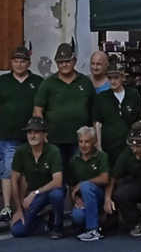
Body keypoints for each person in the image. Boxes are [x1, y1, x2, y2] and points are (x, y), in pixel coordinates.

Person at [0, 46, 44, 222]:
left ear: (29, 63)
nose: (19, 64)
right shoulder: (1, 82)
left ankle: (21, 203)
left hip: (31, 134)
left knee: (25, 172)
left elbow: (42, 105)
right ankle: (6, 207)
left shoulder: (38, 82)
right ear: (11, 63)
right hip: (9, 132)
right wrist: (1, 118)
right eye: (16, 61)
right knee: (8, 171)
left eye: (22, 61)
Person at [34, 43, 96, 174]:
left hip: (81, 140)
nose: (64, 65)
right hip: (54, 138)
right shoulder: (48, 83)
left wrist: (95, 136)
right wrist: (42, 134)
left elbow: (94, 110)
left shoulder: (85, 82)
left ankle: (76, 194)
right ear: (56, 63)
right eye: (60, 62)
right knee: (57, 173)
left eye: (67, 61)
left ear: (74, 61)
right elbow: (38, 110)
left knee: (79, 172)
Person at [9, 117, 65, 239]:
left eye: (36, 132)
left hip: (50, 190)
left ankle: (58, 225)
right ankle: (43, 221)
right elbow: (14, 179)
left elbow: (57, 181)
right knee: (17, 230)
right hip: (34, 195)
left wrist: (35, 193)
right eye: (29, 132)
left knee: (56, 195)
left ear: (45, 134)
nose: (32, 135)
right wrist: (18, 208)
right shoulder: (21, 151)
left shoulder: (53, 151)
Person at [93, 62, 141, 167]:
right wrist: (99, 146)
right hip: (109, 147)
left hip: (130, 146)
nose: (112, 81)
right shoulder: (102, 98)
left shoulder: (133, 94)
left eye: (116, 77)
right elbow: (97, 124)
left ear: (123, 77)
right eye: (110, 78)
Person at [67, 127, 110, 242]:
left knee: (86, 186)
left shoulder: (102, 156)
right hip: (83, 198)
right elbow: (71, 185)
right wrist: (75, 199)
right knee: (77, 217)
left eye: (87, 142)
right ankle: (92, 223)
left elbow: (105, 178)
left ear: (94, 142)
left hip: (99, 195)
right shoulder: (74, 160)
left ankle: (93, 230)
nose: (83, 145)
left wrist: (83, 184)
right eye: (80, 142)